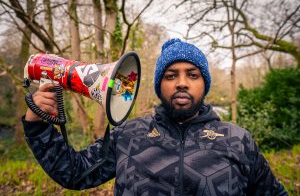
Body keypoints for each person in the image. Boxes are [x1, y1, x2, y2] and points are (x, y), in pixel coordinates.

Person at [22, 38, 287, 196]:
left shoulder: (237, 140)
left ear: (204, 84)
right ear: (159, 86)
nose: (181, 83)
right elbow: (75, 174)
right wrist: (38, 127)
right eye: (170, 76)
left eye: (192, 75)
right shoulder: (129, 134)